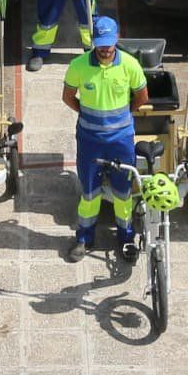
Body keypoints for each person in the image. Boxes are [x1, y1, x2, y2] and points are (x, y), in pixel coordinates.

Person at [63, 16, 148, 260]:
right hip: (90, 140)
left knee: (123, 192)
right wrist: (87, 114)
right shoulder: (78, 65)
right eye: (100, 44)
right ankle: (84, 238)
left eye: (109, 44)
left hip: (120, 140)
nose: (105, 49)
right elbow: (68, 96)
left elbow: (142, 96)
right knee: (89, 191)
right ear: (94, 42)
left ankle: (126, 237)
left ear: (116, 40)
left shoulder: (130, 65)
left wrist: (123, 116)